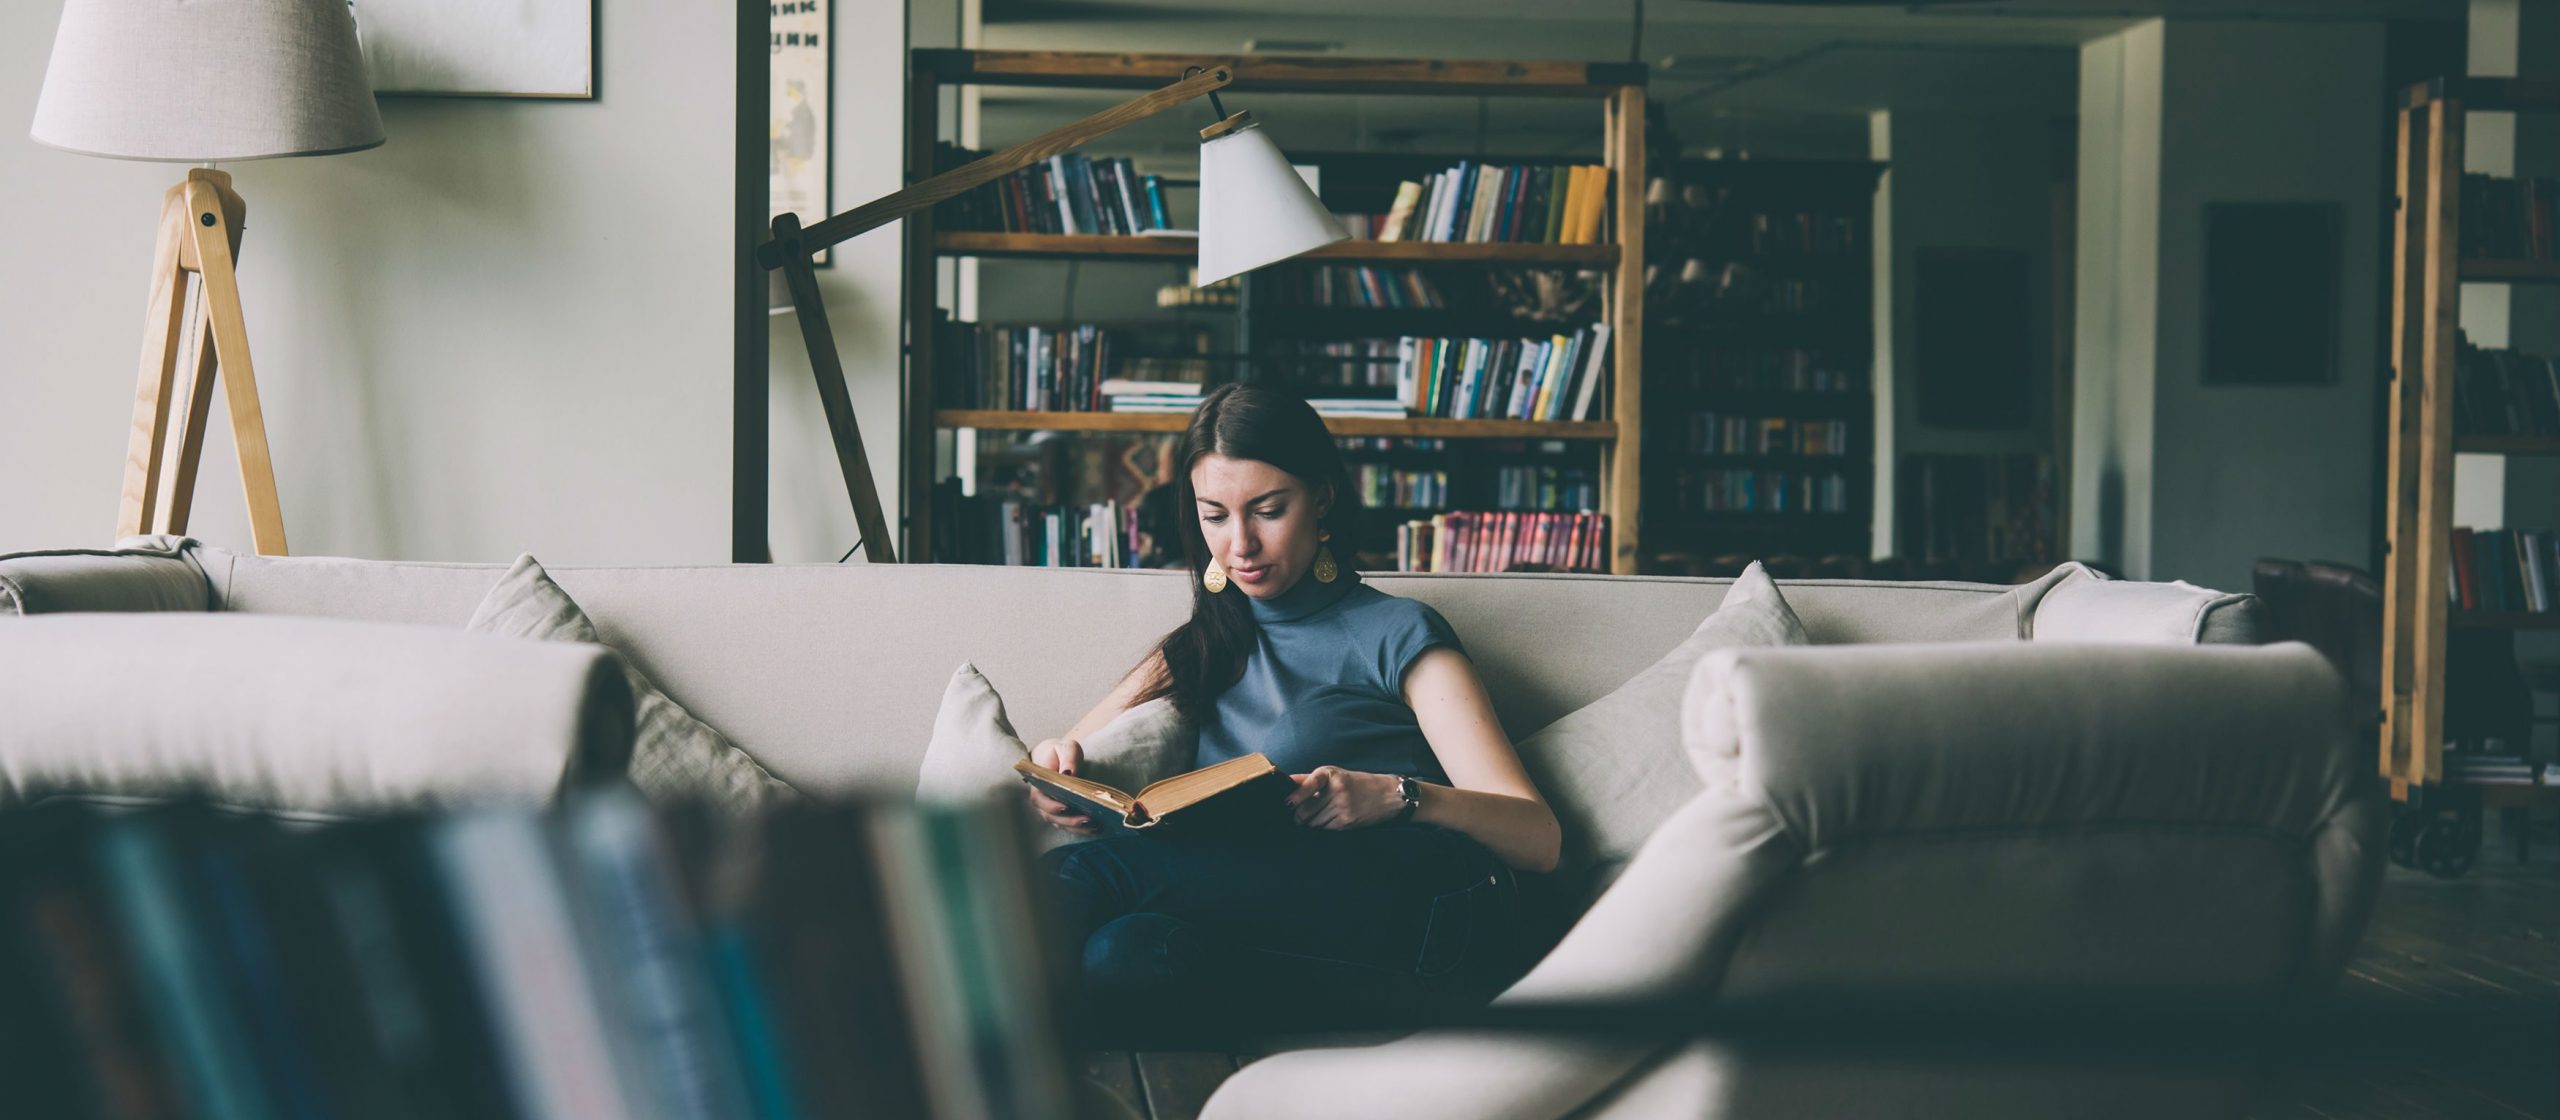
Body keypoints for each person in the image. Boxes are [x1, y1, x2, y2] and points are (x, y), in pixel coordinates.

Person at [1030, 383, 1562, 1046]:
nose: (1240, 543)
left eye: (1268, 510)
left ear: (1324, 498)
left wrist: (1394, 797)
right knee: (1127, 953)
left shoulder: (1397, 632)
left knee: (1082, 875)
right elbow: (1069, 756)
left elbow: (1539, 840)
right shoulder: (1200, 646)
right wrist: (1057, 775)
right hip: (1313, 948)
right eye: (1215, 516)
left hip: (1431, 904)